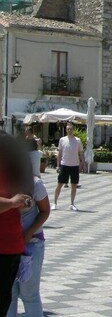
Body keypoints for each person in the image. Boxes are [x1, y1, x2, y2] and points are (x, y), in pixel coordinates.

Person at [8, 152, 50, 317]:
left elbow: (45, 210)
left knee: (29, 295)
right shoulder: (5, 185)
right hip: (9, 245)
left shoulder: (35, 184)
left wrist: (29, 233)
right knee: (9, 295)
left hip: (31, 244)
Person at [0, 133, 33, 315]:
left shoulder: (12, 174)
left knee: (4, 299)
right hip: (10, 245)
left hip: (11, 246)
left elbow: (27, 201)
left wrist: (23, 201)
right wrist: (13, 202)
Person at [53, 122, 86, 211]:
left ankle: (72, 203)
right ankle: (55, 203)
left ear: (73, 130)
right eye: (68, 129)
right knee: (60, 184)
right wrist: (58, 165)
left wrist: (83, 163)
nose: (69, 130)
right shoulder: (62, 140)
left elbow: (81, 153)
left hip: (75, 165)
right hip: (64, 165)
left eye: (71, 129)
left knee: (74, 185)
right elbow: (59, 153)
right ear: (66, 130)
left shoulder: (78, 140)